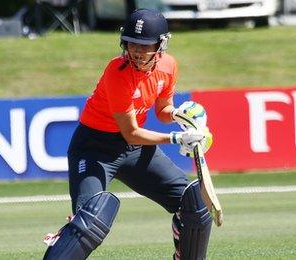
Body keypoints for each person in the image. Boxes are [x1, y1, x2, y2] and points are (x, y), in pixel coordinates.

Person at [43, 9, 214, 260]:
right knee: (89, 221)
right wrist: (176, 138)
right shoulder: (118, 72)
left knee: (194, 205)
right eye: (132, 43)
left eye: (145, 45)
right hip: (95, 148)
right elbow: (131, 132)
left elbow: (163, 110)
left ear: (161, 44)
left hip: (134, 151)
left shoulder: (168, 66)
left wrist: (183, 116)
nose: (137, 50)